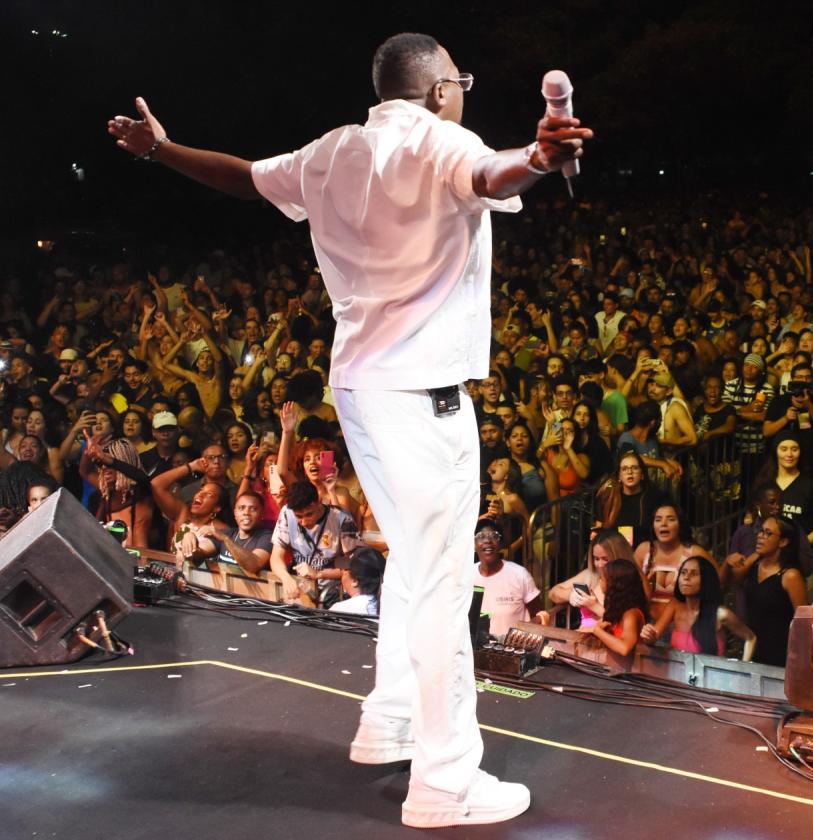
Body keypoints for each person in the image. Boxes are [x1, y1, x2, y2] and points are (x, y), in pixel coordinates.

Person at [109, 32, 591, 827]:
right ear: (438, 89)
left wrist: (162, 149)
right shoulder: (443, 141)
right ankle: (445, 784)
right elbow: (490, 171)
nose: (462, 92)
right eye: (459, 81)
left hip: (360, 391)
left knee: (412, 559)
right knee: (441, 583)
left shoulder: (333, 151)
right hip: (422, 399)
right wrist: (537, 160)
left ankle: (389, 721)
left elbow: (243, 177)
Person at [723, 515, 808, 667]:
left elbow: (804, 623)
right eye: (760, 531)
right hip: (753, 646)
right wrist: (727, 563)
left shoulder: (790, 575)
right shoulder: (755, 564)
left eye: (768, 533)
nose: (760, 536)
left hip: (781, 653)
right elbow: (726, 583)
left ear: (783, 542)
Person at [640, 555, 756, 659]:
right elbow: (653, 637)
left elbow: (750, 638)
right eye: (683, 572)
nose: (686, 578)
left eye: (694, 574)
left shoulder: (720, 614)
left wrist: (744, 670)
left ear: (706, 580)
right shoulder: (674, 605)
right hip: (679, 678)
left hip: (711, 679)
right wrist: (648, 634)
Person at [472, 520, 540, 637]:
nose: (487, 540)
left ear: (501, 544)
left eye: (494, 536)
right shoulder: (466, 576)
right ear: (473, 545)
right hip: (478, 651)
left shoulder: (519, 574)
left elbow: (538, 614)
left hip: (515, 652)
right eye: (481, 536)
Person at [331, 546, 388, 618]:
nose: (342, 573)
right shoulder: (393, 607)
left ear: (355, 581)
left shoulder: (339, 610)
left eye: (345, 570)